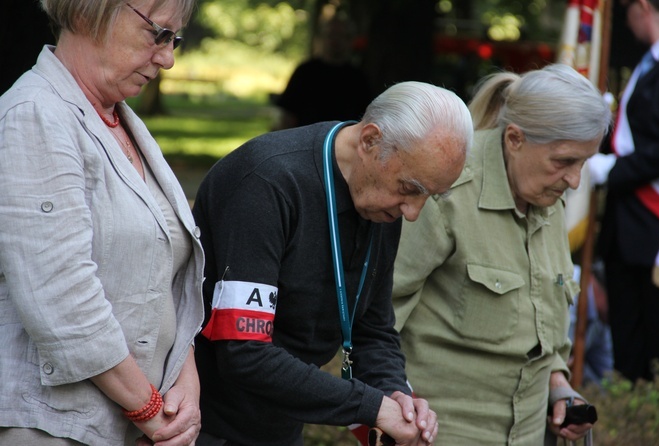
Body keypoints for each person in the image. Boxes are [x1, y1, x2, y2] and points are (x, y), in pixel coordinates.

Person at [192, 81, 473, 446]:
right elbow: (245, 354)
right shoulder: (267, 181)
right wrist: (369, 405)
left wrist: (394, 395)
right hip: (201, 425)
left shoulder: (382, 200)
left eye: (428, 196)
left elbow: (373, 328)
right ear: (370, 140)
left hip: (280, 427)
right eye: (410, 188)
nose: (413, 212)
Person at [0, 1, 204, 445]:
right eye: (158, 33)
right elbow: (61, 295)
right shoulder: (35, 114)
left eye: (176, 39)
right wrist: (151, 411)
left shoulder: (118, 119)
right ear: (91, 12)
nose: (168, 57)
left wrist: (185, 382)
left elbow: (164, 274)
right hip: (51, 427)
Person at [390, 64, 612, 445]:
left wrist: (558, 385)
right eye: (563, 161)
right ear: (514, 138)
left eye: (584, 163)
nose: (575, 181)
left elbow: (540, 327)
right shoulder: (448, 194)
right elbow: (376, 320)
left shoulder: (546, 197)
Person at [589, 0, 659, 383]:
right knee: (630, 354)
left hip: (657, 226)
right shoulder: (650, 61)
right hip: (629, 229)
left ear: (642, 6)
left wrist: (613, 169)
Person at [271, 14, 373, 130]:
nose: (335, 41)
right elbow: (287, 113)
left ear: (350, 40)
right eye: (331, 35)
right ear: (322, 38)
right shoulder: (305, 72)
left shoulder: (358, 78)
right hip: (305, 139)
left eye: (342, 36)